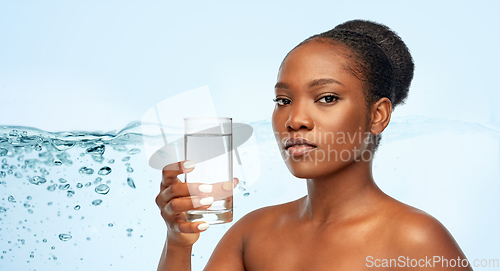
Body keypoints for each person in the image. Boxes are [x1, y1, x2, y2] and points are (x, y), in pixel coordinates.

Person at [156, 19, 472, 270]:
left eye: (327, 98)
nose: (295, 119)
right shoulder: (252, 234)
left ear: (377, 115)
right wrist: (178, 243)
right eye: (283, 100)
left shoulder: (416, 241)